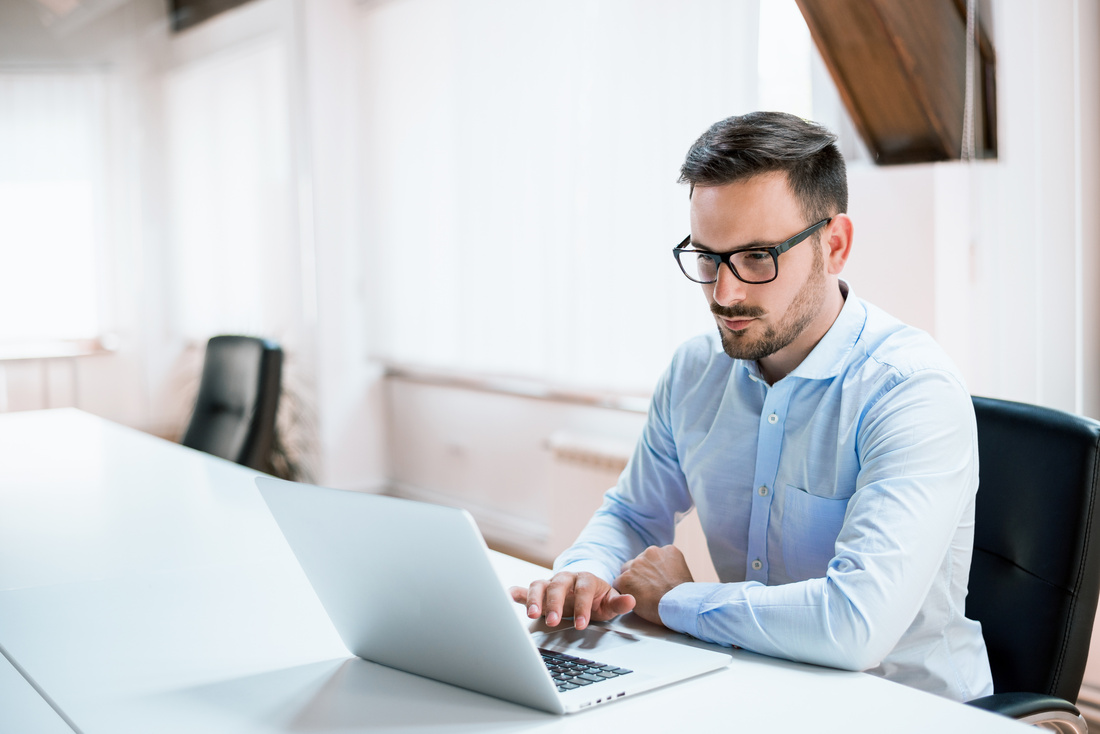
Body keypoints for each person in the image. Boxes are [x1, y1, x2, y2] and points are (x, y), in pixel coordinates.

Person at [509, 111, 994, 702]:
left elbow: (854, 625)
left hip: (907, 708)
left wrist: (675, 600)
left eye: (758, 257)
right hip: (755, 686)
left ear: (834, 244)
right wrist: (586, 570)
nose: (725, 293)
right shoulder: (695, 371)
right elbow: (634, 517)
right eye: (709, 257)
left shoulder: (909, 392)